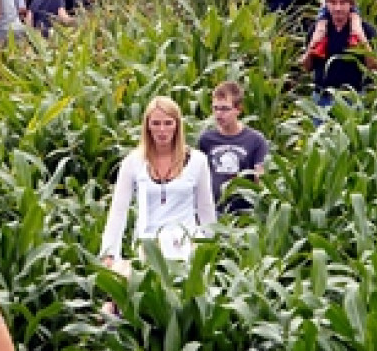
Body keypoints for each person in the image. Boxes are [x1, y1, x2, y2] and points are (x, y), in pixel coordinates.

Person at [100, 96, 215, 269]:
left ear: (177, 125)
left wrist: (212, 247)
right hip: (149, 245)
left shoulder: (198, 161)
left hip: (186, 245)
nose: (162, 130)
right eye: (156, 123)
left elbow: (205, 209)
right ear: (147, 126)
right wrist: (108, 252)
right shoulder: (133, 162)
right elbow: (118, 210)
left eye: (168, 123)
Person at [303, 0, 377, 110]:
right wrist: (313, 44)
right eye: (333, 3)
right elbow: (306, 67)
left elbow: (374, 68)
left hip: (353, 99)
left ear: (351, 5)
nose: (338, 8)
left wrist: (361, 38)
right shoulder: (318, 29)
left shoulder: (366, 30)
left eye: (343, 3)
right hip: (322, 98)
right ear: (327, 5)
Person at [197, 82, 269, 214]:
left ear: (238, 109)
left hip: (244, 212)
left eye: (225, 109)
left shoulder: (256, 140)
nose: (219, 114)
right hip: (213, 211)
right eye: (215, 108)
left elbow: (260, 178)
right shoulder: (206, 139)